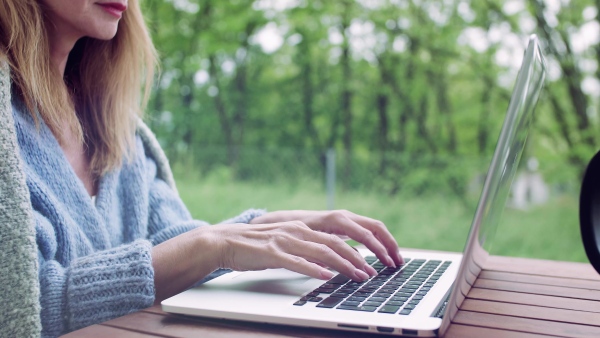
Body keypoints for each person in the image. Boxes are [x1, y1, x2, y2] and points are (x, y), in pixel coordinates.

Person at [0, 0, 403, 336]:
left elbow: (171, 242)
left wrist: (266, 229)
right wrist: (217, 246)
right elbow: (26, 307)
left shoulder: (117, 127)